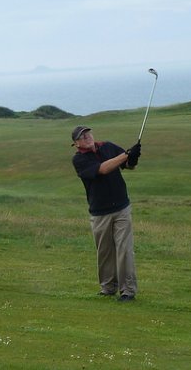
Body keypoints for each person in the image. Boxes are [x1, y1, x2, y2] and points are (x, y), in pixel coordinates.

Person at [71, 125, 141, 302]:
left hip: (121, 207)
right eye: (82, 136)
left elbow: (128, 165)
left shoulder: (108, 147)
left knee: (124, 250)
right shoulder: (79, 160)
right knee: (105, 252)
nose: (87, 137)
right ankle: (108, 287)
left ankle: (128, 291)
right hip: (100, 212)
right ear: (76, 143)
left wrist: (133, 157)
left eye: (88, 134)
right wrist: (126, 154)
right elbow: (102, 169)